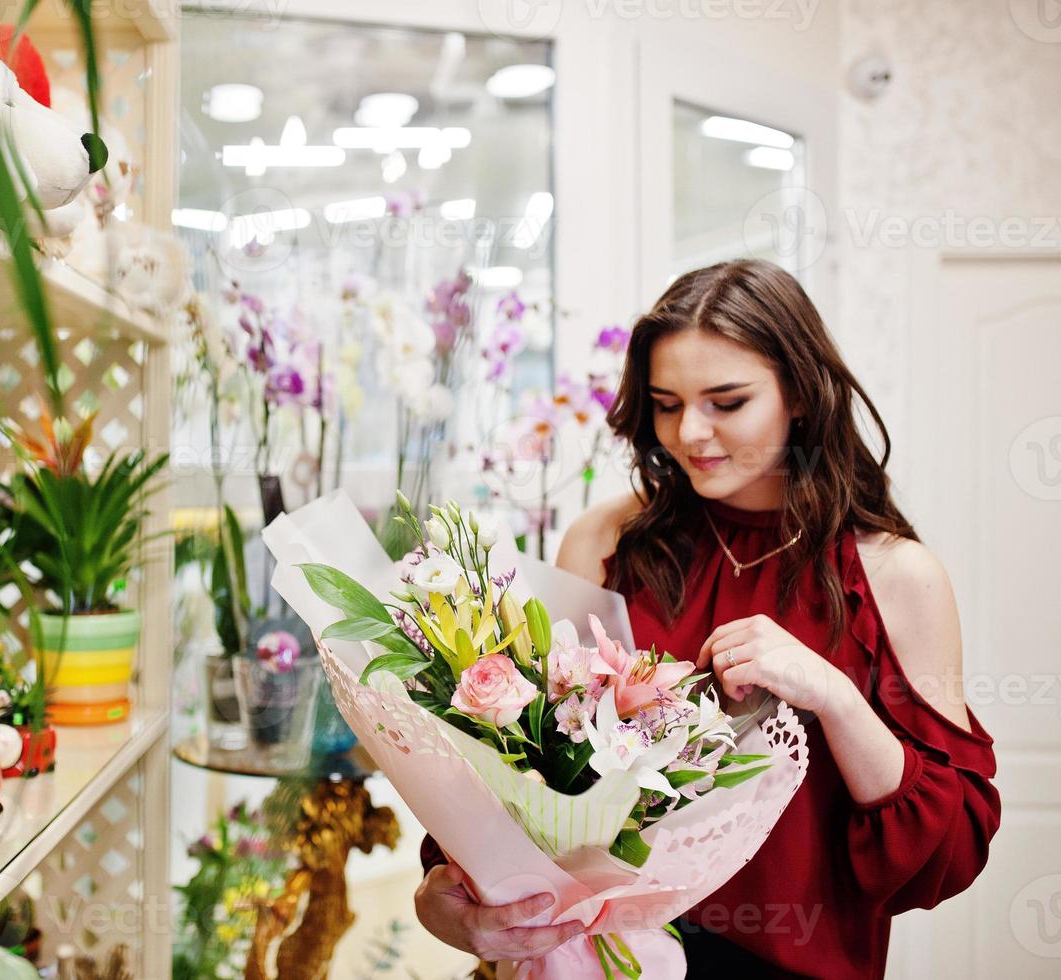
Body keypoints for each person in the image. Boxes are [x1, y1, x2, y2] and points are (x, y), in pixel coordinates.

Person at [415, 259, 1000, 978]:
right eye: (666, 403)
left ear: (800, 397)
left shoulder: (892, 577)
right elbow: (521, 768)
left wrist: (835, 698)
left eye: (726, 402)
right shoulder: (603, 543)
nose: (690, 432)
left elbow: (945, 854)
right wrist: (446, 896)